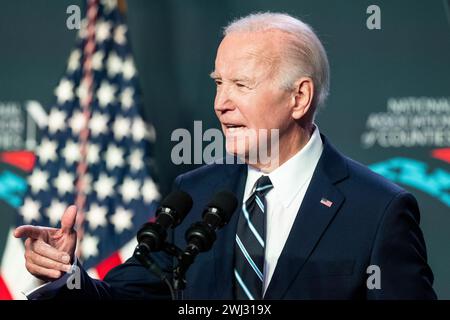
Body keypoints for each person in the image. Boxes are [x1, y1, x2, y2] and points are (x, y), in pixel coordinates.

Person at [15, 12, 436, 300]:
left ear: (299, 97)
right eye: (219, 83)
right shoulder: (194, 194)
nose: (221, 103)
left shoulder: (377, 210)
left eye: (241, 85)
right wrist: (66, 277)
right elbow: (126, 296)